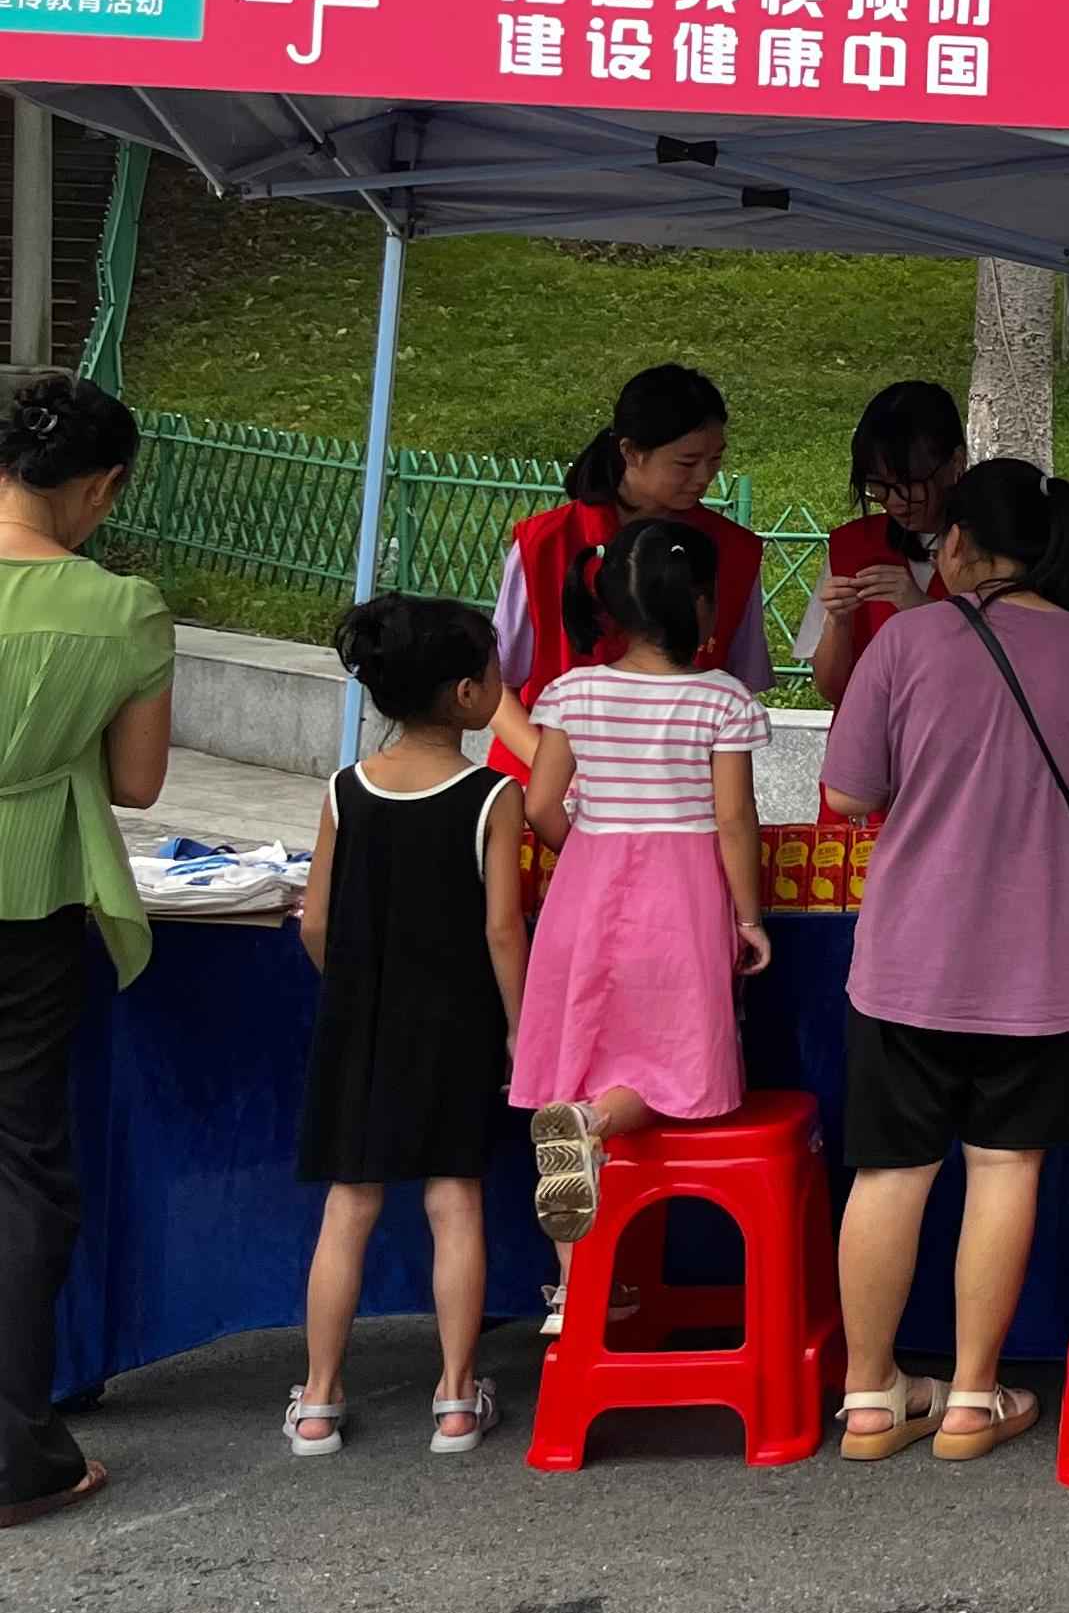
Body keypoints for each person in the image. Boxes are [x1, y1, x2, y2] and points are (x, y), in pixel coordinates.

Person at [823, 460, 1069, 1463]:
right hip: (1047, 966)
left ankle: (870, 1398)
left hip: (909, 958)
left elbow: (847, 793)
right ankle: (971, 1397)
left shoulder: (909, 639)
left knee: (891, 1171)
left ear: (958, 543)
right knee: (1005, 1167)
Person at [288, 598, 526, 1458]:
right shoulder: (492, 796)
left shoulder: (344, 790)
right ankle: (457, 1398)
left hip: (360, 1024)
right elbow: (503, 929)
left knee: (349, 1204)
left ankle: (318, 1401)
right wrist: (518, 1027)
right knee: (454, 1199)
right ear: (465, 694)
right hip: (455, 1025)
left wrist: (355, 989)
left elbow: (316, 921)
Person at [511, 519, 771, 1287]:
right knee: (669, 1065)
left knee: (579, 1061)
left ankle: (575, 1289)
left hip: (585, 893)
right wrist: (749, 918)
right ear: (700, 603)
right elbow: (733, 819)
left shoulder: (572, 692)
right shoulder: (721, 700)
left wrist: (590, 850)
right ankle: (593, 1125)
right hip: (680, 901)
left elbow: (541, 805)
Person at [0, 377, 167, 1529]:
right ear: (102, 486)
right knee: (20, 1164)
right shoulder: (122, 608)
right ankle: (16, 1454)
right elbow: (138, 780)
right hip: (34, 900)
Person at [491, 364, 768, 780]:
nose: (705, 477)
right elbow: (496, 688)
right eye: (687, 462)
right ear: (631, 452)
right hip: (541, 789)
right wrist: (565, 776)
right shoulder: (545, 545)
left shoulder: (734, 552)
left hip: (672, 796)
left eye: (715, 459)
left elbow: (742, 682)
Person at [803, 380, 963, 705]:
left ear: (955, 463)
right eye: (879, 486)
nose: (896, 500)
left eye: (910, 483)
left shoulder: (992, 547)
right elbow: (833, 690)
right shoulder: (853, 545)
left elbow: (1010, 667)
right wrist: (838, 621)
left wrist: (921, 608)